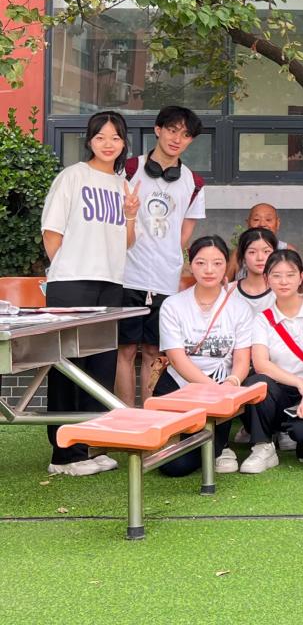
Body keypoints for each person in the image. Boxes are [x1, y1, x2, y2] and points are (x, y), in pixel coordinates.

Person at [40, 110, 140, 476]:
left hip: (110, 283)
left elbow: (126, 242)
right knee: (68, 366)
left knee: (100, 365)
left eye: (115, 138)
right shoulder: (73, 177)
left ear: (124, 143)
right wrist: (66, 270)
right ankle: (63, 454)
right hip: (72, 282)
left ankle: (88, 444)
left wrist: (131, 214)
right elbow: (51, 232)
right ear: (89, 141)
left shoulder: (122, 185)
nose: (108, 144)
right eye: (101, 137)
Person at [116, 105, 206, 406]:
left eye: (185, 135)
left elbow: (185, 232)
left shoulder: (194, 183)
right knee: (125, 350)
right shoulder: (129, 169)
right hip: (127, 275)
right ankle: (126, 416)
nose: (177, 139)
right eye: (172, 130)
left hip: (166, 280)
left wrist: (165, 254)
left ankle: (151, 414)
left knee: (154, 352)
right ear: (158, 130)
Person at [155, 236, 254, 477]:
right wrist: (211, 389)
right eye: (201, 263)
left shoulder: (240, 308)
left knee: (195, 456)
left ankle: (220, 446)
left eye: (217, 263)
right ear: (190, 264)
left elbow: (242, 360)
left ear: (227, 265)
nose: (209, 270)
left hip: (223, 388)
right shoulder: (173, 305)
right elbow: (177, 359)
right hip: (179, 387)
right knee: (173, 467)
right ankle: (212, 446)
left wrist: (231, 383)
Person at [238, 249, 303, 473]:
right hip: (279, 390)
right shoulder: (262, 319)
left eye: (290, 275)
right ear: (267, 279)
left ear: (301, 277)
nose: (283, 281)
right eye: (276, 275)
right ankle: (263, 447)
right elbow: (261, 363)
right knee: (256, 383)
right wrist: (297, 382)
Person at [226, 203, 296, 279]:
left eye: (268, 220)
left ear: (278, 223)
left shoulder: (287, 250)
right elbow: (225, 282)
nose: (262, 224)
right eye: (256, 219)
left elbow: (299, 283)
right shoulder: (239, 251)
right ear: (247, 223)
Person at [231, 228, 278, 314]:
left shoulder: (282, 292)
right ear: (243, 257)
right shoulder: (228, 292)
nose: (260, 258)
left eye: (266, 251)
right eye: (252, 252)